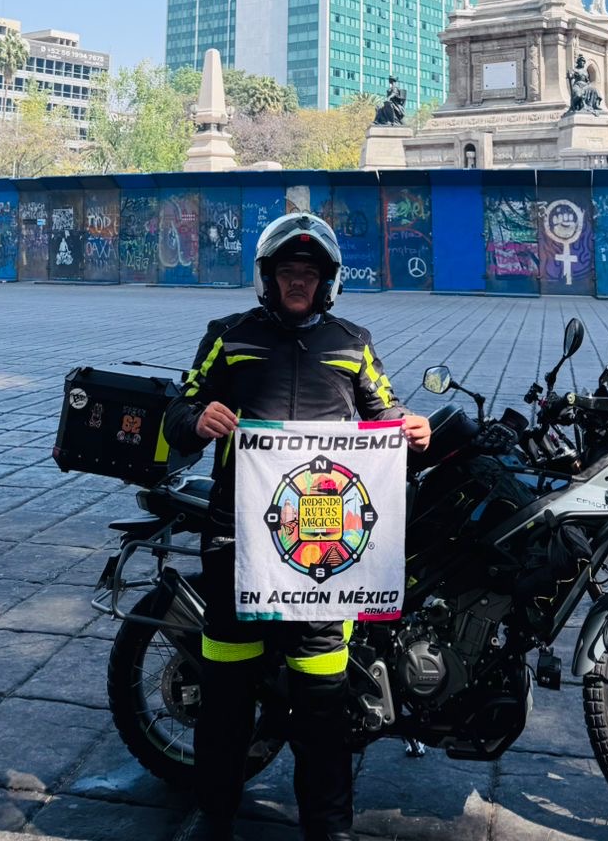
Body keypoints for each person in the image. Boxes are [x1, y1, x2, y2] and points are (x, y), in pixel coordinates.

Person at [166, 213, 431, 841]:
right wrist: (196, 418)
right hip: (238, 543)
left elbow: (384, 413)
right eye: (287, 272)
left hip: (323, 554)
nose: (297, 283)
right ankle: (215, 818)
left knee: (323, 704)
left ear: (327, 283)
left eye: (308, 274)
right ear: (267, 278)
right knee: (225, 696)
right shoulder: (227, 337)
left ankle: (328, 829)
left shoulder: (353, 342)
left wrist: (412, 428)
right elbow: (179, 406)